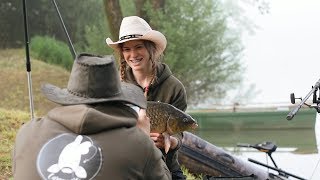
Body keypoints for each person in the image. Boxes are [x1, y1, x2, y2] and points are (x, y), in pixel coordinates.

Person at [12, 53, 171, 180]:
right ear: (118, 101)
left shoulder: (26, 133)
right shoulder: (139, 145)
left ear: (67, 98)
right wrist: (144, 138)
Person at [106, 16, 188, 179]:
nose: (133, 54)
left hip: (165, 165)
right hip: (126, 165)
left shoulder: (174, 87)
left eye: (138, 47)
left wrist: (171, 142)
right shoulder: (114, 87)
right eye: (127, 49)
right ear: (122, 53)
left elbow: (179, 131)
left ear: (151, 49)